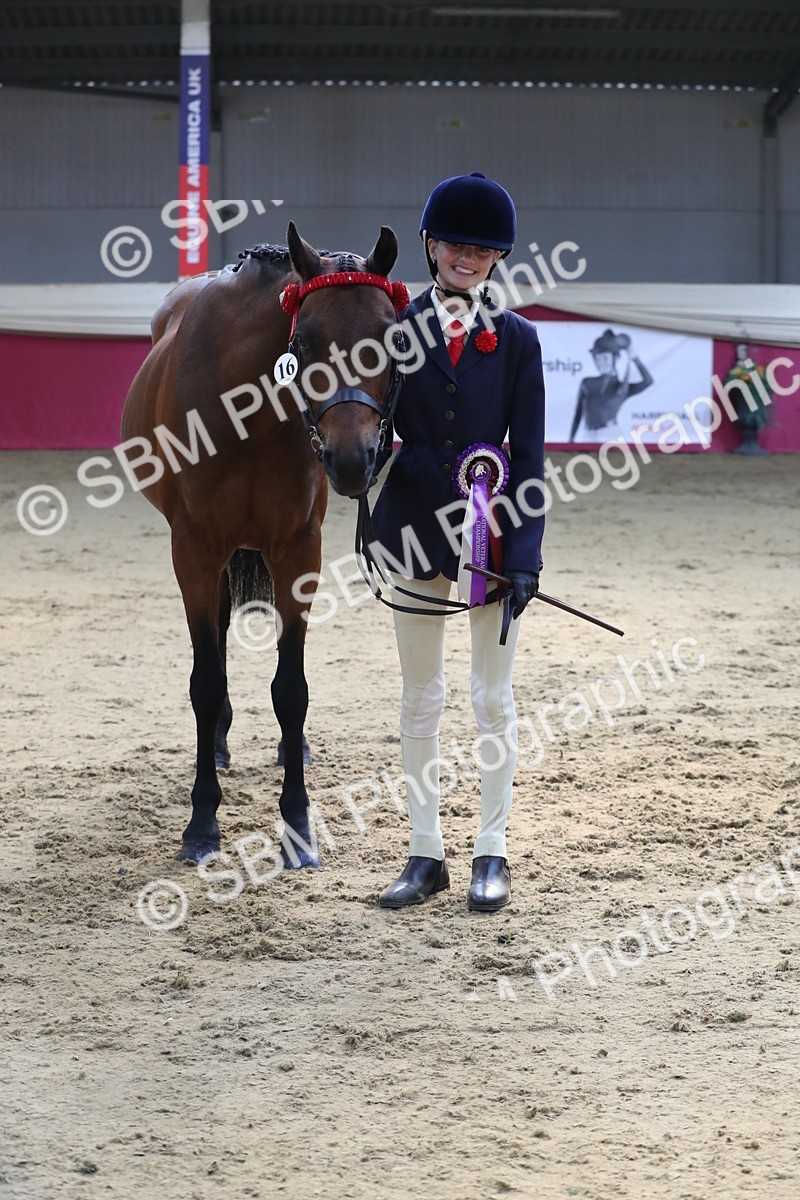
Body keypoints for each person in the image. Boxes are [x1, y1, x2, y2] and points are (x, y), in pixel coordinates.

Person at [369, 171, 546, 913]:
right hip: (411, 530)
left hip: (491, 539)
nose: (466, 258)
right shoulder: (390, 331)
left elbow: (530, 459)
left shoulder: (517, 341)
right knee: (420, 698)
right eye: (455, 244)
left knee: (491, 699)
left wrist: (527, 555)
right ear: (431, 245)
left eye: (482, 249)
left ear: (496, 258)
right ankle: (424, 852)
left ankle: (492, 853)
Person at [569, 328, 653, 441]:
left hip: (609, 434)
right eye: (598, 358)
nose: (601, 362)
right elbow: (578, 412)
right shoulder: (587, 383)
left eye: (605, 358)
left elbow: (648, 381)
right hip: (588, 434)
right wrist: (570, 440)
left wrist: (634, 357)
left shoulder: (622, 387)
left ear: (614, 358)